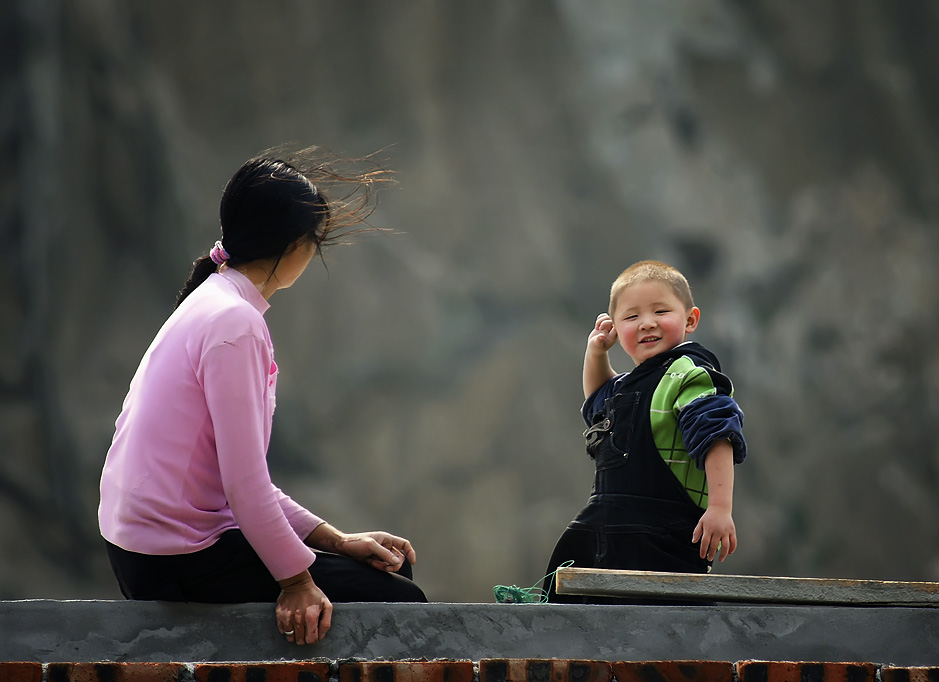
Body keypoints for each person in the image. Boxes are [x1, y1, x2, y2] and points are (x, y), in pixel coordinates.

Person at [98, 146, 426, 646]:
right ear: (296, 245)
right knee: (401, 603)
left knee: (373, 584)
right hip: (177, 557)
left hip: (141, 550)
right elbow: (244, 486)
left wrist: (334, 541)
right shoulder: (236, 324)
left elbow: (238, 484)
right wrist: (297, 583)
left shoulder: (214, 300)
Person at [542, 260, 746, 603]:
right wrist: (596, 353)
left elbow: (717, 435)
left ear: (690, 319)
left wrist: (720, 509)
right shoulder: (626, 385)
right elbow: (597, 401)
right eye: (631, 317)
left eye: (660, 311)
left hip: (660, 537)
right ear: (617, 329)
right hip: (603, 531)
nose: (647, 323)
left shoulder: (688, 373)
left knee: (657, 626)